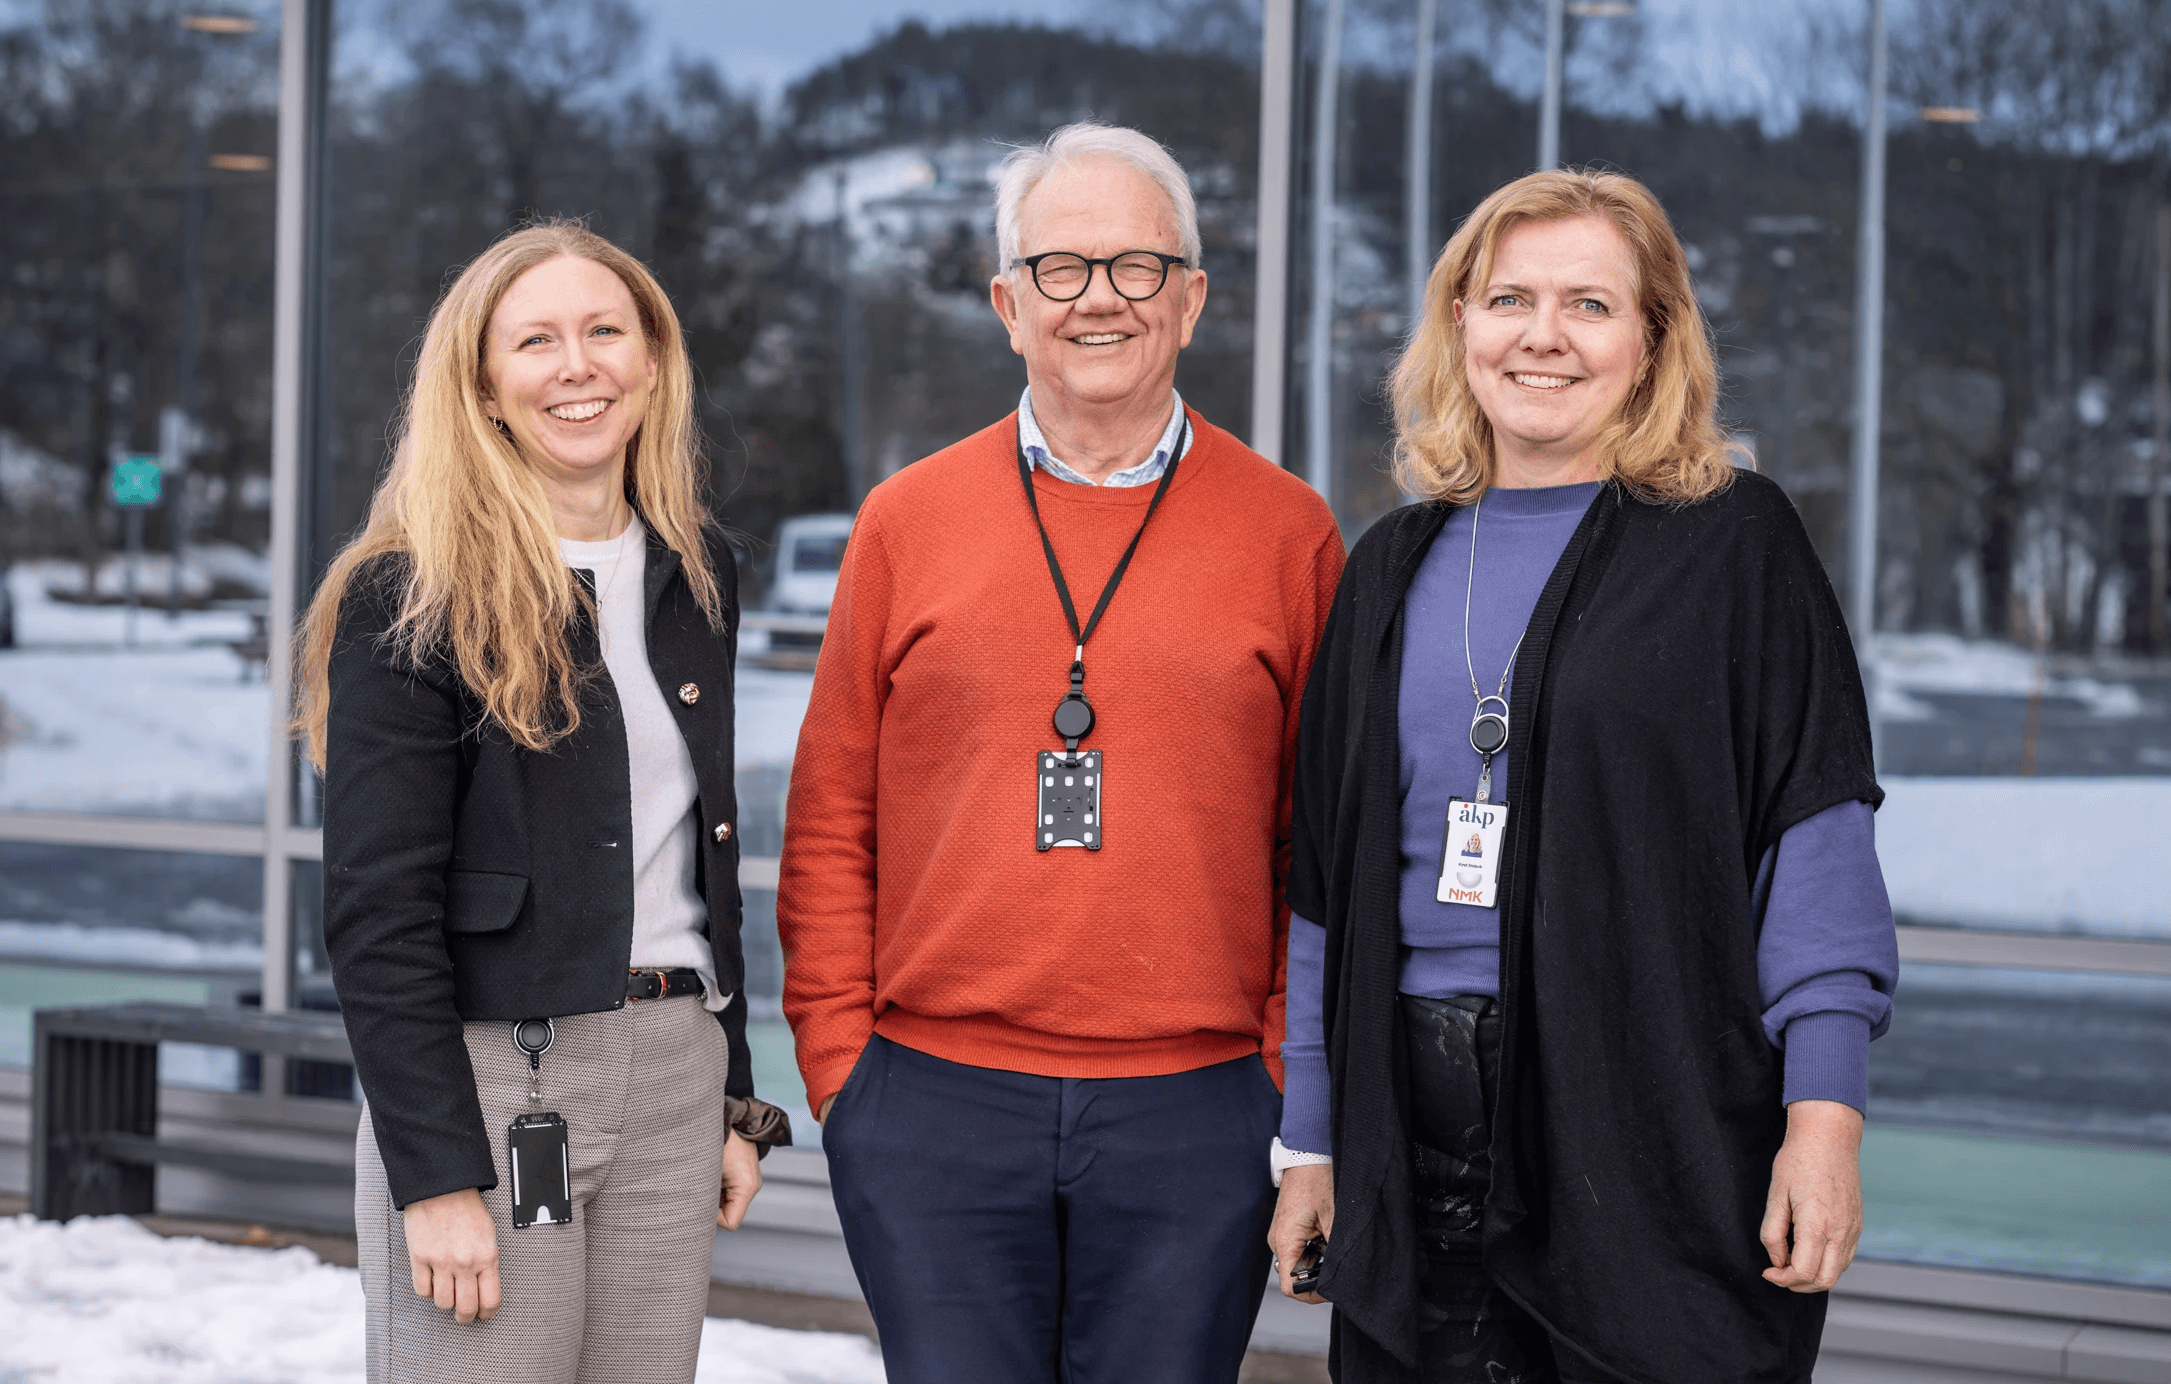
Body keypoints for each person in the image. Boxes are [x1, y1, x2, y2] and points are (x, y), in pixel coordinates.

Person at [1266, 169, 1899, 1384]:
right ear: (1460, 321)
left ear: (1652, 339)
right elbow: (1321, 888)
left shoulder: (1735, 546)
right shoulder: (1389, 563)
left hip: (1646, 1124)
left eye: (1588, 305)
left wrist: (1822, 1120)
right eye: (1509, 298)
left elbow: (1813, 842)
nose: (1541, 336)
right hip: (1408, 1135)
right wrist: (1310, 1142)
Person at [777, 122, 1345, 1383]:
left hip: (1198, 1110)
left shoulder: (1289, 533)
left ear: (1190, 299)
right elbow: (830, 815)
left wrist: (1279, 1084)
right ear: (1007, 305)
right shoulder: (903, 521)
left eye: (1137, 266)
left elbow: (1319, 849)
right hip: (929, 1102)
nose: (1099, 297)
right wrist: (841, 1074)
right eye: (1060, 268)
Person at [295, 221, 789, 1384]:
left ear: (651, 362)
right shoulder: (411, 591)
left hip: (673, 1070)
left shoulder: (696, 572)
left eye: (604, 330)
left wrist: (731, 1094)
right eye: (535, 341)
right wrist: (433, 1174)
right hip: (491, 1083)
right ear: (484, 386)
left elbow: (695, 863)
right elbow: (379, 911)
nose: (578, 365)